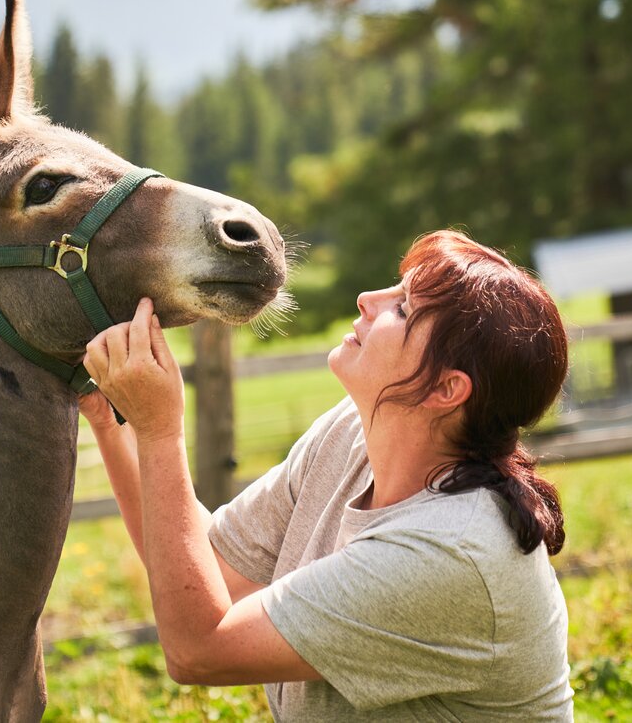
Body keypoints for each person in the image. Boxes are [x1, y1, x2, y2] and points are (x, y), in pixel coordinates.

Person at [80, 229, 573, 721]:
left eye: (403, 309)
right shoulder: (352, 431)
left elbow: (198, 649)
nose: (367, 300)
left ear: (446, 389)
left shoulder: (451, 552)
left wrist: (160, 431)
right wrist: (111, 417)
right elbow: (206, 572)